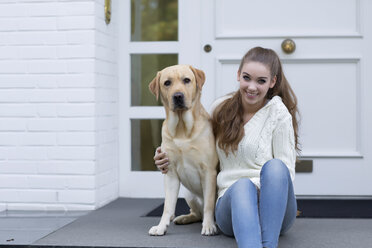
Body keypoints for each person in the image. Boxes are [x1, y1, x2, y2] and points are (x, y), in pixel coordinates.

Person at [154, 47, 300, 248]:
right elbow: (195, 144)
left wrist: (260, 191)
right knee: (241, 185)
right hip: (232, 205)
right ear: (238, 75)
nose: (252, 87)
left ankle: (269, 242)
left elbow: (286, 173)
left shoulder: (278, 113)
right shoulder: (220, 108)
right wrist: (164, 156)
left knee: (275, 167)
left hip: (275, 207)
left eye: (261, 81)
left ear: (272, 82)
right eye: (247, 78)